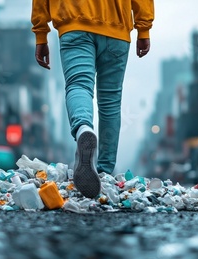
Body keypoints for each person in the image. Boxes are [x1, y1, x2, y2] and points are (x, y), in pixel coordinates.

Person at [31, 0, 154, 198]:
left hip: (74, 21)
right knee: (111, 100)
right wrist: (143, 29)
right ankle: (104, 172)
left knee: (78, 84)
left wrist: (41, 33)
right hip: (117, 26)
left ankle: (83, 128)